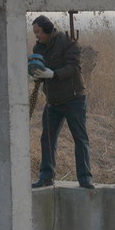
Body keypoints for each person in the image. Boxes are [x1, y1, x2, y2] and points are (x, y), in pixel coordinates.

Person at [30, 15, 94, 189]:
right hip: (53, 101)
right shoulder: (38, 47)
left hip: (74, 99)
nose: (36, 36)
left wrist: (53, 74)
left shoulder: (68, 42)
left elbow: (74, 67)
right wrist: (36, 74)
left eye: (38, 32)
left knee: (80, 138)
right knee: (47, 139)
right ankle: (46, 176)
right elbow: (38, 65)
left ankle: (85, 178)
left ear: (48, 29)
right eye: (35, 33)